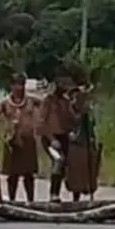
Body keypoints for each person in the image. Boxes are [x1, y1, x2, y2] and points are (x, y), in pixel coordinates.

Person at [0, 73, 40, 203]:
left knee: (29, 174)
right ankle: (12, 200)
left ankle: (30, 201)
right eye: (17, 85)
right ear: (11, 86)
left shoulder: (31, 100)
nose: (19, 88)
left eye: (22, 84)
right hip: (11, 142)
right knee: (12, 174)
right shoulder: (5, 102)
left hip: (28, 140)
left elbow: (47, 104)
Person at [39, 73, 75, 202]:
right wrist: (51, 139)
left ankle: (65, 190)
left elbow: (71, 121)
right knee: (58, 160)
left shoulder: (66, 102)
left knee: (65, 165)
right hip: (50, 138)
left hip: (63, 136)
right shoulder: (47, 101)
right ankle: (53, 194)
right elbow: (42, 123)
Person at [65, 83, 102, 202]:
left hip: (88, 141)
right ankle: (76, 199)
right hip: (76, 142)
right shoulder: (69, 108)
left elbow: (93, 124)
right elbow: (72, 122)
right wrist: (81, 114)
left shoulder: (89, 108)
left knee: (91, 170)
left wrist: (94, 139)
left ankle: (90, 194)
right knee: (77, 172)